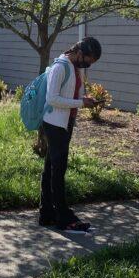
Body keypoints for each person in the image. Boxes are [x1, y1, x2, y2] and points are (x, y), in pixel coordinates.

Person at [39, 37, 102, 235]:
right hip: (55, 124)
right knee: (58, 171)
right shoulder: (61, 67)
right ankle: (62, 218)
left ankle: (47, 214)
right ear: (79, 52)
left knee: (51, 169)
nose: (87, 65)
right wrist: (80, 103)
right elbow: (52, 99)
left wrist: (82, 100)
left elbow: (70, 96)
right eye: (88, 60)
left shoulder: (74, 67)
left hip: (63, 123)